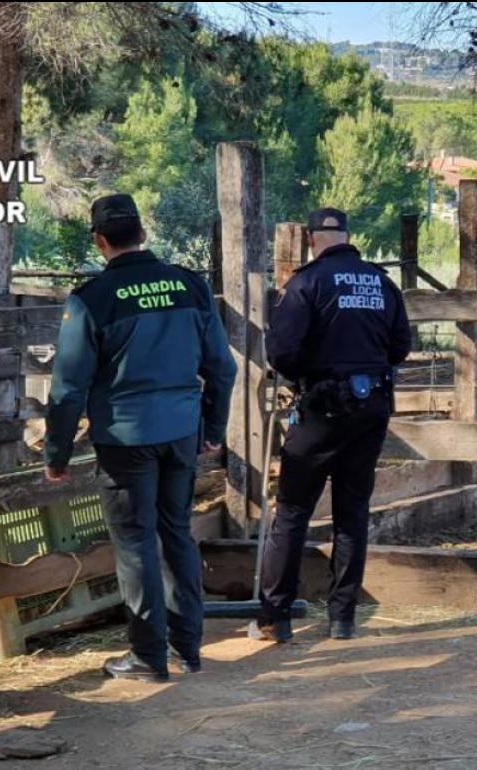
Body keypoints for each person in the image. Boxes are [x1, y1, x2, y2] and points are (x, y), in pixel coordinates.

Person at [44, 193, 237, 681]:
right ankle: (188, 649)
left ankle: (148, 656)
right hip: (180, 432)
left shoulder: (92, 300)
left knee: (135, 544)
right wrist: (212, 429)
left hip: (125, 437)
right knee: (176, 532)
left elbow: (69, 388)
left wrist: (57, 453)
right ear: (143, 234)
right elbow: (222, 366)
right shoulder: (191, 287)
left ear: (100, 240)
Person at [251, 207, 411, 643]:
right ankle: (342, 618)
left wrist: (313, 374)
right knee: (352, 513)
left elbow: (282, 353)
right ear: (347, 235)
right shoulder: (381, 282)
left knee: (292, 513)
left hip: (321, 408)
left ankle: (276, 618)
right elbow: (401, 346)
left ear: (309, 238)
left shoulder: (305, 283)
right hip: (371, 406)